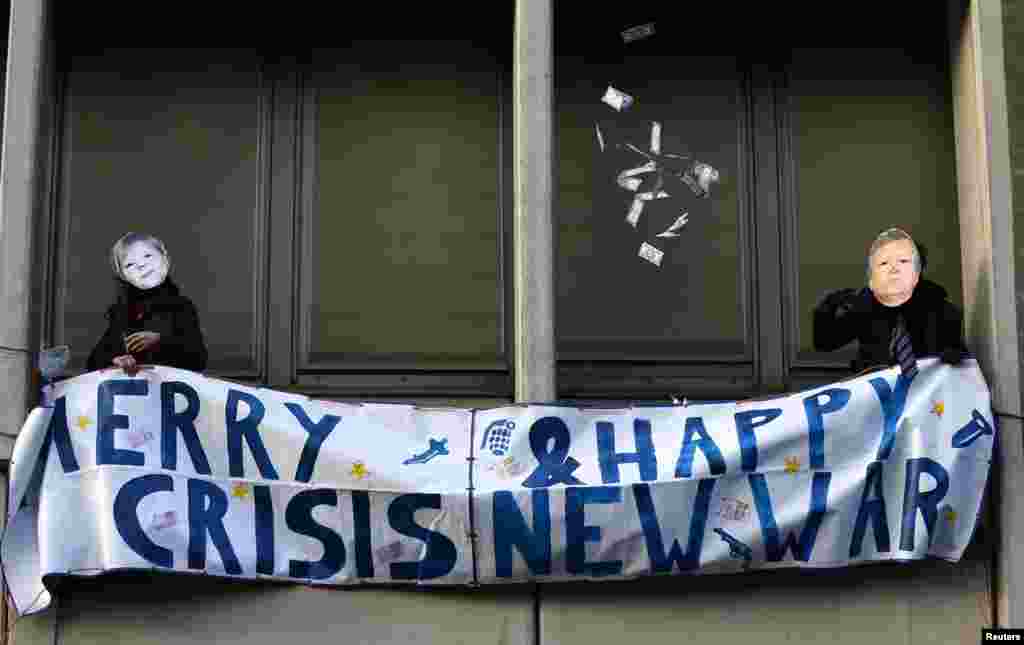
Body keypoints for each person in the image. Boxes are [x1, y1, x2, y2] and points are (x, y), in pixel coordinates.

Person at [813, 228, 967, 375]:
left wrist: (951, 354)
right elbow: (825, 343)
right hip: (877, 392)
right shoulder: (866, 303)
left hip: (922, 391)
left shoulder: (937, 306)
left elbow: (956, 353)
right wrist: (827, 306)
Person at [87, 233, 208, 374]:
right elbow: (94, 362)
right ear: (123, 275)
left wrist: (160, 341)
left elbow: (198, 360)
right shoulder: (120, 311)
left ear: (165, 259)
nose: (141, 265)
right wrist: (116, 359)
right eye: (130, 264)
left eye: (148, 256)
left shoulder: (181, 306)